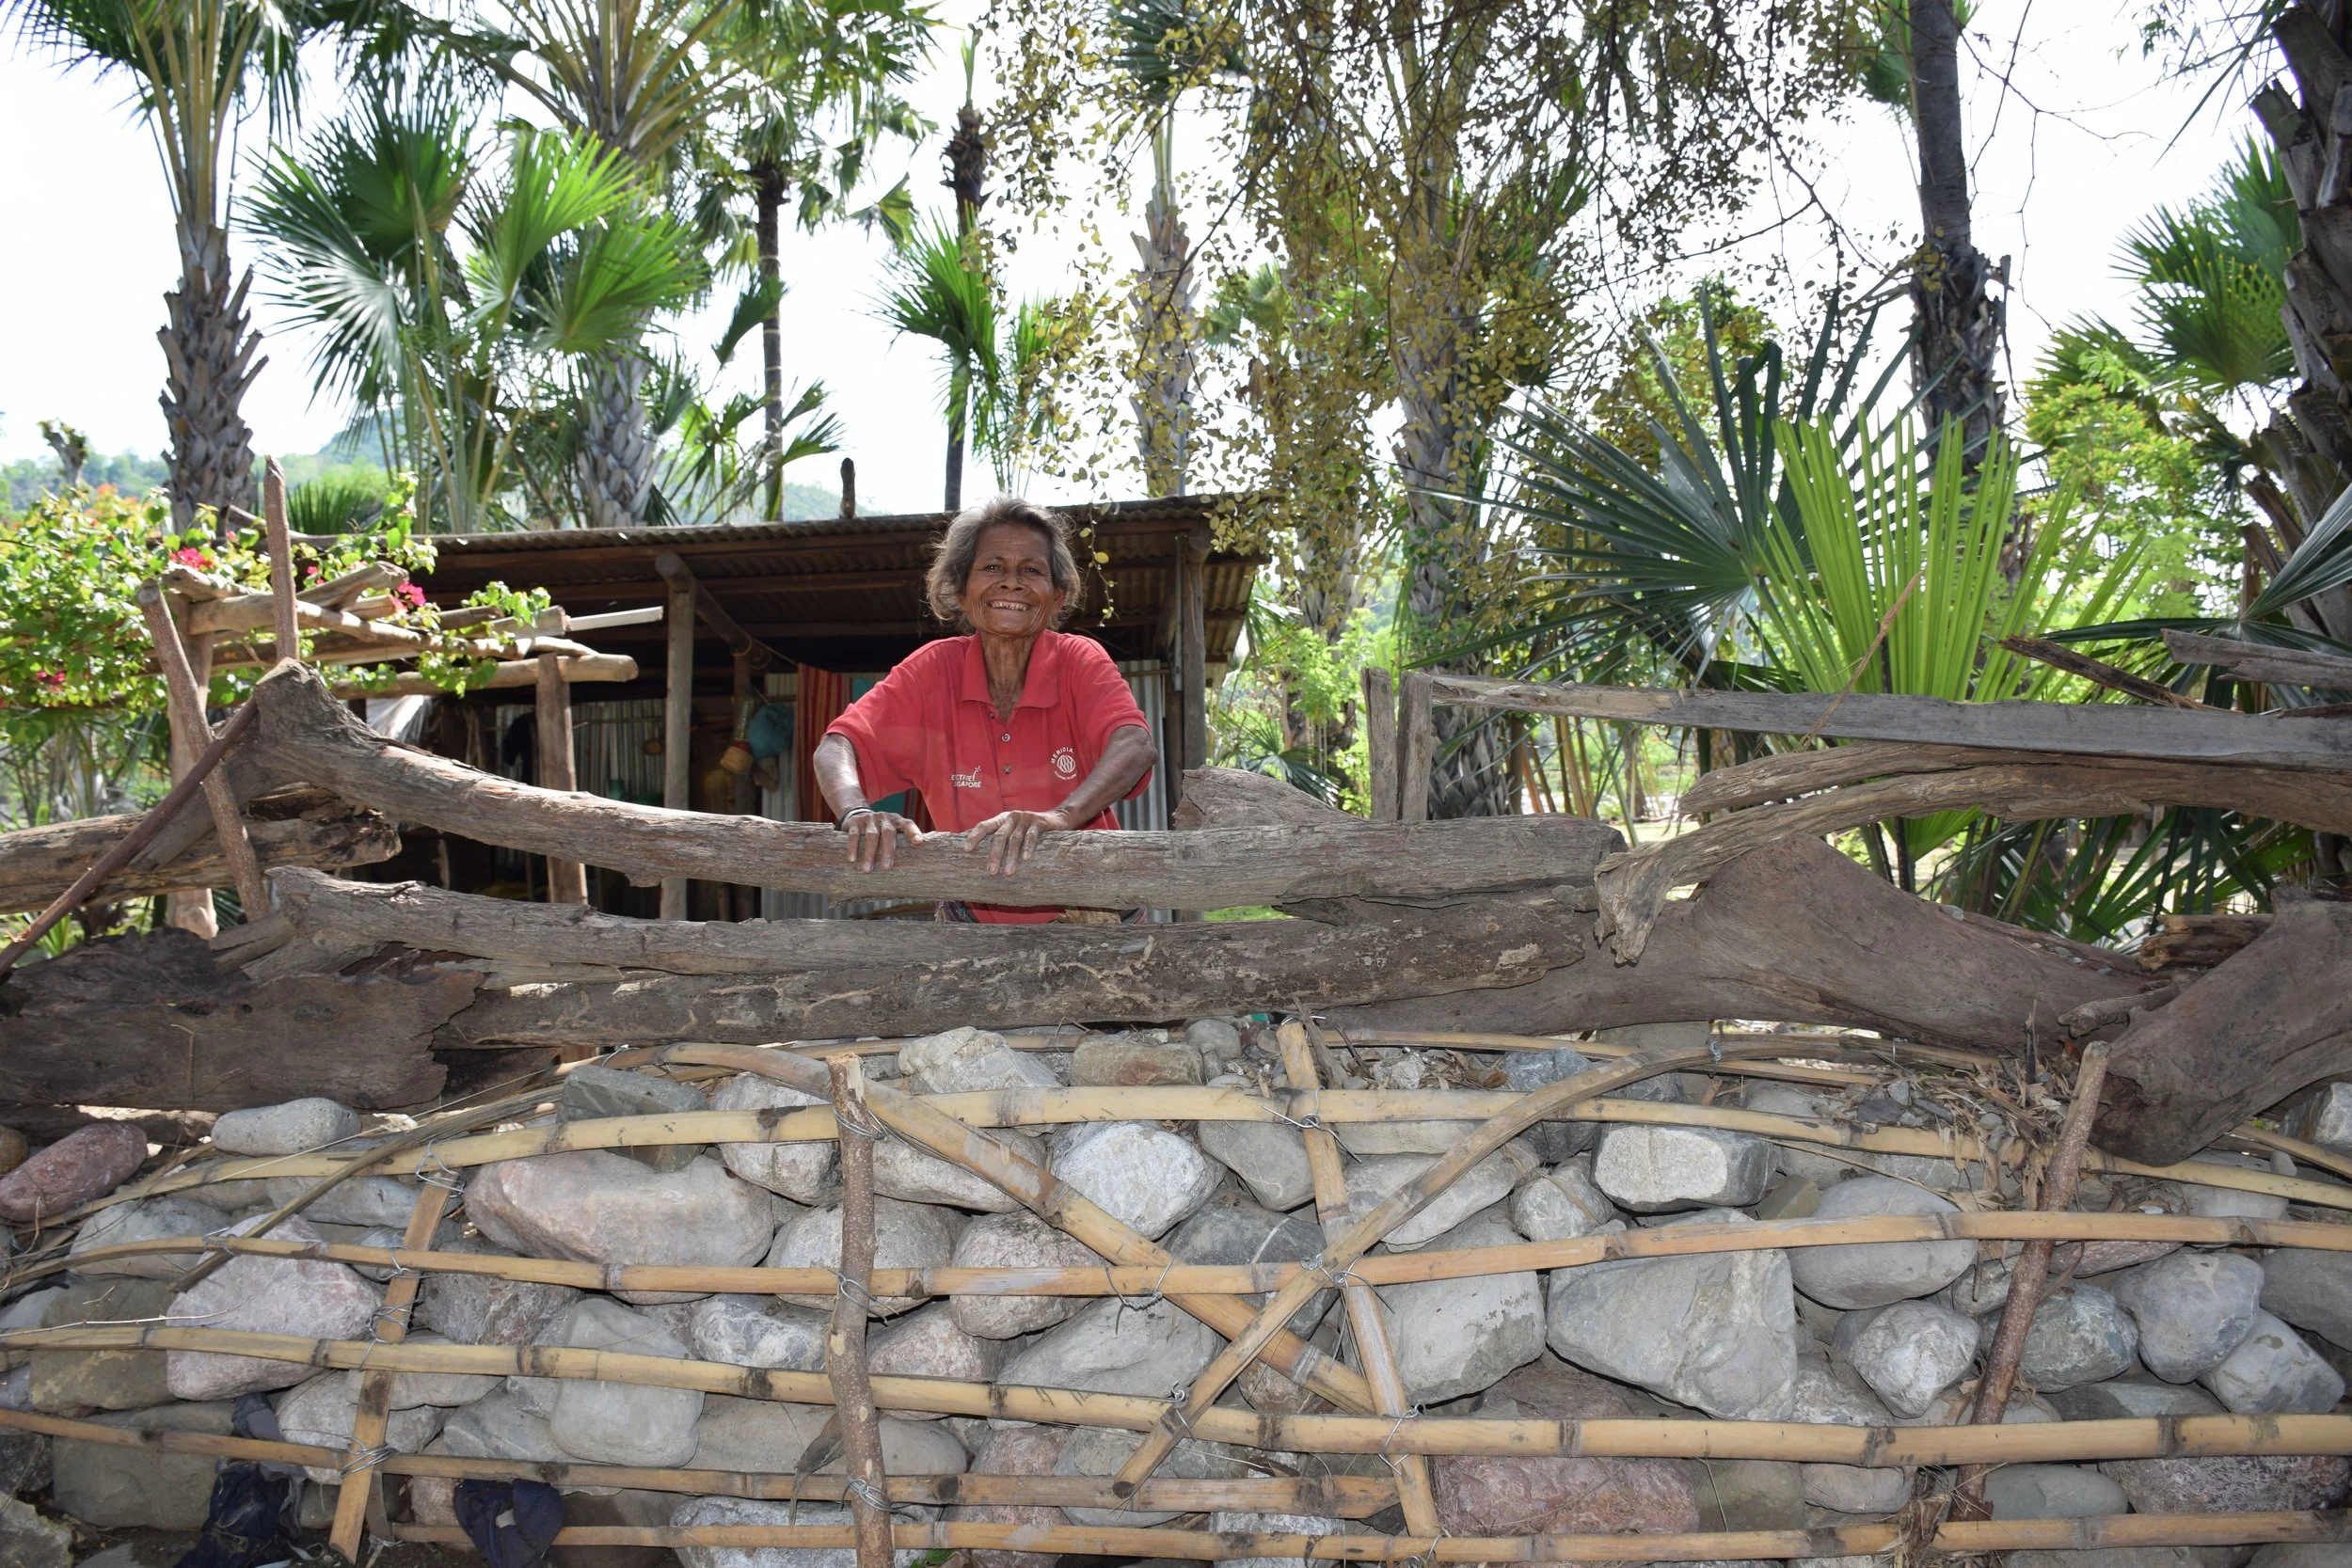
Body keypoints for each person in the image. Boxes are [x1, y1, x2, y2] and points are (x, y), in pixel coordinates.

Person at [812, 495, 1157, 923]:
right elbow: (836, 745)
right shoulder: (931, 671)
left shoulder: (1078, 660)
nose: (1011, 582)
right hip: (972, 924)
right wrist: (857, 812)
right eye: (992, 567)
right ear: (960, 589)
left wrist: (1059, 817)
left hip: (1098, 915)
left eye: (1031, 570)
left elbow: (1135, 745)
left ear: (1057, 596)